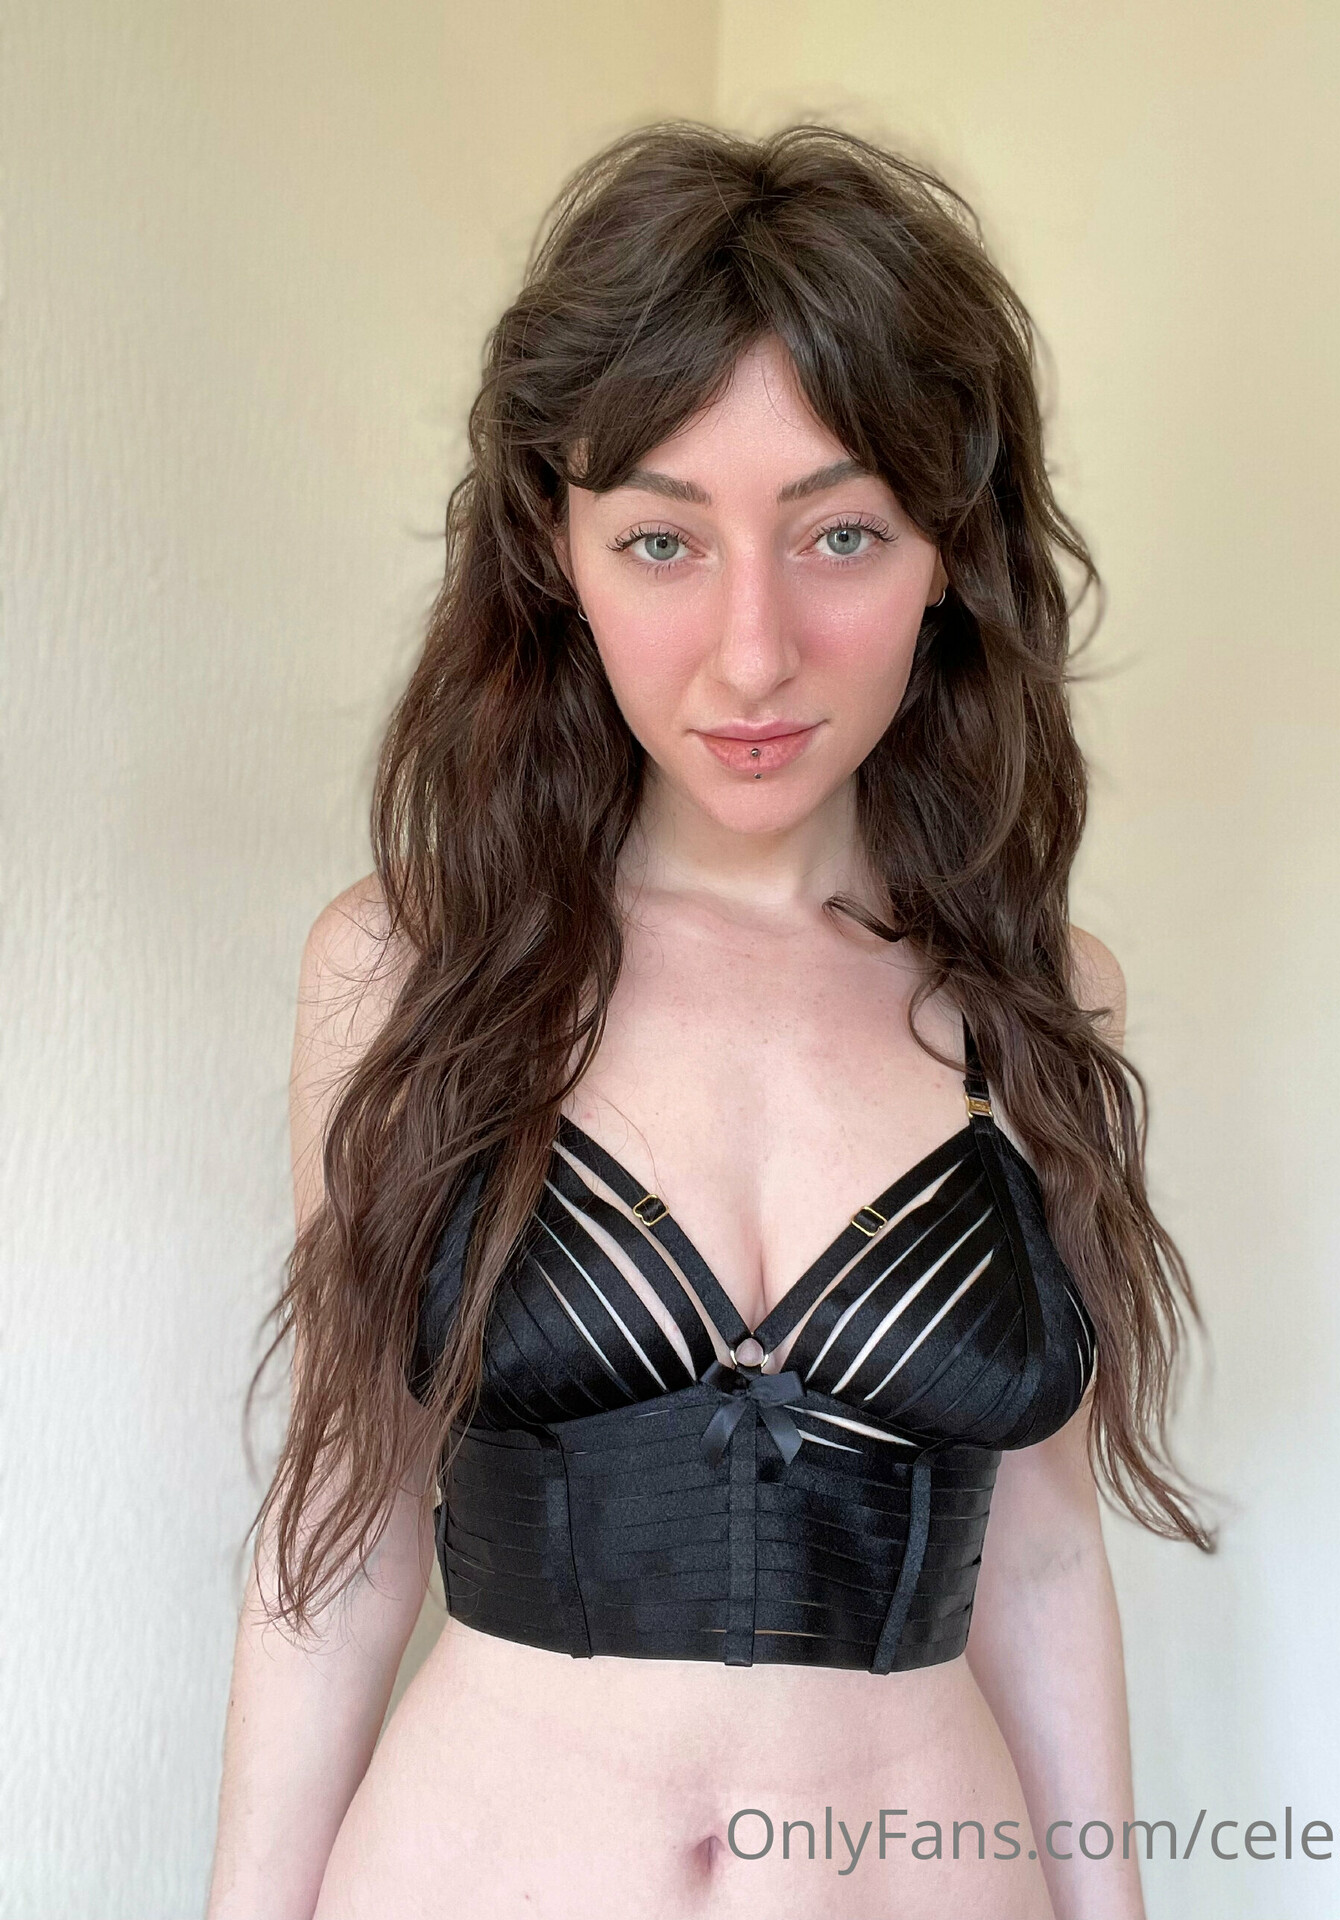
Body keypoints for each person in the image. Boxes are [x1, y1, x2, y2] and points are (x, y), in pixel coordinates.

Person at [205, 121, 1211, 1920]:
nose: (754, 652)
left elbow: (1047, 1559)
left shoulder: (1044, 1003)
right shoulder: (406, 968)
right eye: (663, 540)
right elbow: (341, 1544)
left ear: (949, 550)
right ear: (557, 546)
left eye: (842, 533)